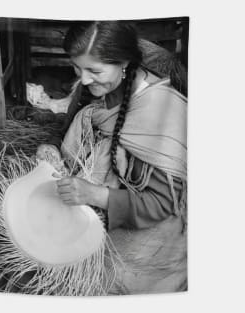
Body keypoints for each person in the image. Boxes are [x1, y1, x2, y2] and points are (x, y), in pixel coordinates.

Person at [36, 20, 187, 294]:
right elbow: (68, 125)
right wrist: (51, 148)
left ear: (124, 63)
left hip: (147, 235)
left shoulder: (162, 111)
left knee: (112, 285)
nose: (82, 79)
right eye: (76, 67)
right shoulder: (96, 85)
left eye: (94, 70)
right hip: (96, 207)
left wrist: (95, 195)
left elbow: (162, 204)